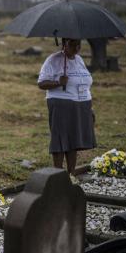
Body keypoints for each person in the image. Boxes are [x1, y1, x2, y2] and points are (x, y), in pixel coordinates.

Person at [37, 38, 96, 175]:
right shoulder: (53, 60)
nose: (76, 48)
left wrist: (90, 108)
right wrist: (58, 82)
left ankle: (71, 175)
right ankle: (58, 175)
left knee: (74, 140)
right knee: (60, 139)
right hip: (61, 104)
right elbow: (41, 83)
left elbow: (85, 84)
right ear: (64, 44)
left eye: (78, 44)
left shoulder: (79, 60)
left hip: (81, 105)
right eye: (72, 44)